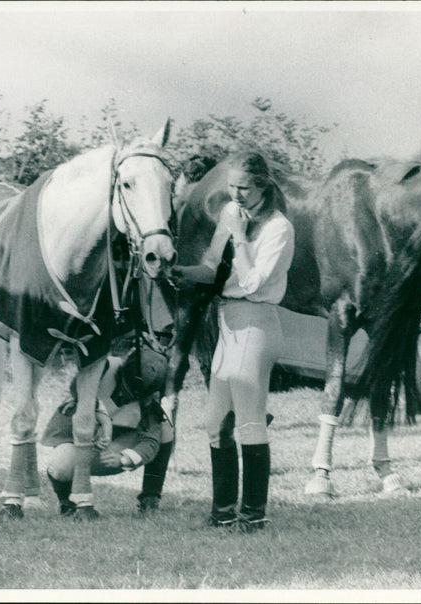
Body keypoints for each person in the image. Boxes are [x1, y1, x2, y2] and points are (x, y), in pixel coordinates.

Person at [171, 151, 295, 532]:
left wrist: (240, 238)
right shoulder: (229, 213)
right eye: (231, 187)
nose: (235, 194)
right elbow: (211, 269)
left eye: (243, 187)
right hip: (227, 321)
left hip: (256, 320)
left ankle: (254, 516)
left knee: (249, 421)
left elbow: (254, 281)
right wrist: (172, 272)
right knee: (213, 422)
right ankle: (223, 513)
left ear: (262, 185)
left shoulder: (279, 228)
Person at [41, 344, 174, 519]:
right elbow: (75, 391)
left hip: (116, 449)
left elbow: (151, 440)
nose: (129, 395)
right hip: (79, 443)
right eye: (128, 388)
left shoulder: (150, 399)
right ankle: (68, 503)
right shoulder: (104, 369)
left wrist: (125, 458)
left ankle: (150, 497)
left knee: (165, 429)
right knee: (60, 463)